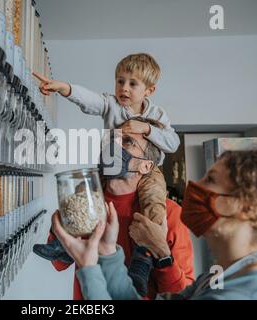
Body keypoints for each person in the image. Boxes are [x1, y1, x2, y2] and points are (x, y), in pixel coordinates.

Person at [52, 150, 257, 300]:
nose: (193, 185)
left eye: (210, 180)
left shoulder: (242, 295)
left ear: (248, 207)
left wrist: (89, 268)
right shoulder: (216, 279)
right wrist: (106, 253)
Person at [33, 53, 179, 294]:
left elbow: (172, 142)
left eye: (133, 83)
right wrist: (64, 88)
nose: (124, 88)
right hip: (110, 167)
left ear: (149, 90)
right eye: (120, 81)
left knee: (154, 203)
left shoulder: (157, 115)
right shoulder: (111, 104)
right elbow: (89, 100)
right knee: (82, 195)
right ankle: (62, 244)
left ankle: (143, 260)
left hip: (150, 172)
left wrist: (147, 128)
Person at [36, 118, 195, 299]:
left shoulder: (170, 213)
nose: (114, 146)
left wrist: (161, 253)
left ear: (146, 165)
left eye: (128, 142)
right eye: (113, 139)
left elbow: (181, 291)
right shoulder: (84, 203)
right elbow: (58, 263)